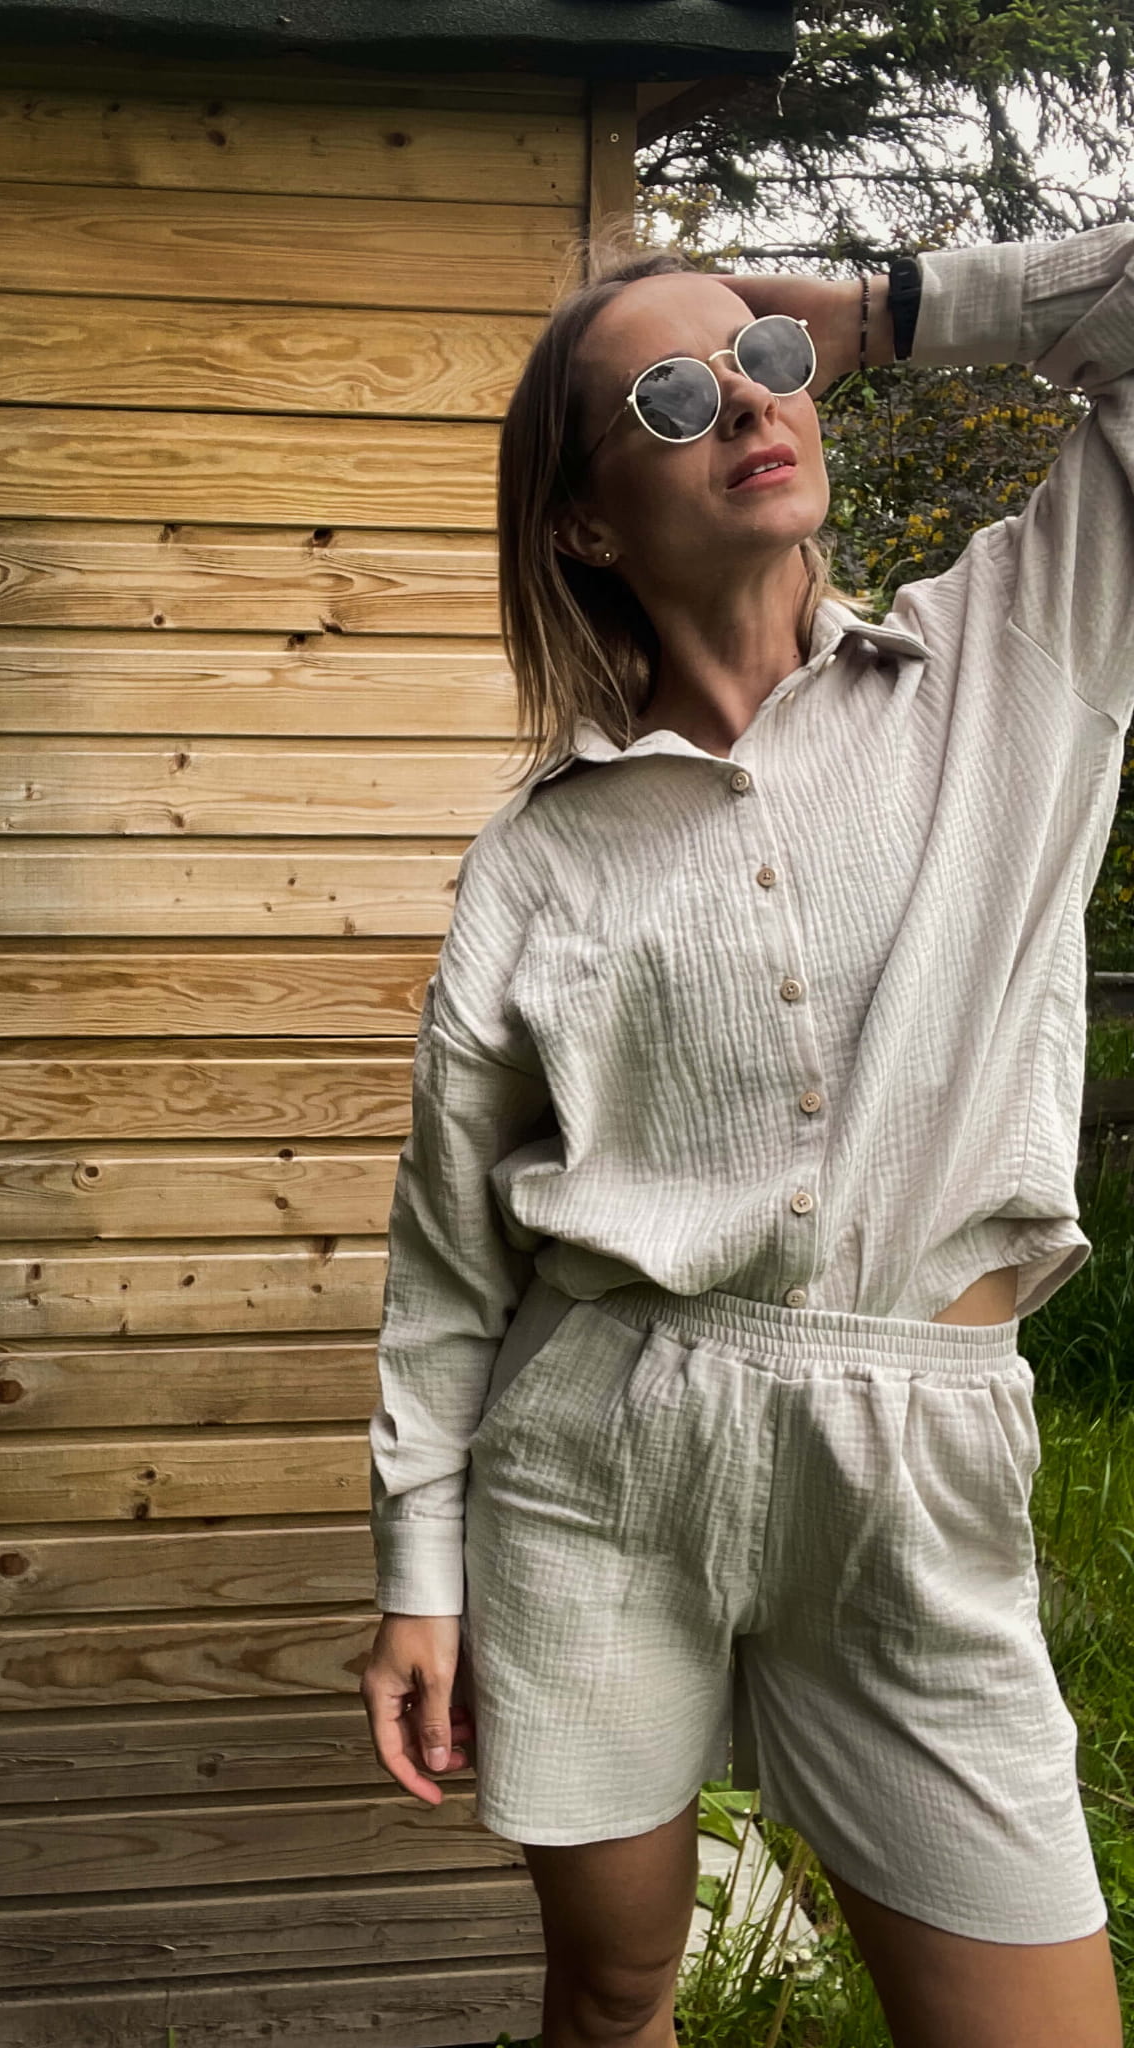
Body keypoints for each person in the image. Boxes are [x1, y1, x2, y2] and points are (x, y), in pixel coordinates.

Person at [359, 219, 1134, 2048]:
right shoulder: (540, 859)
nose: (748, 405)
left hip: (916, 1457)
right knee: (617, 1988)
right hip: (599, 1460)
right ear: (583, 521)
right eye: (672, 394)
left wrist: (887, 313)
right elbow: (450, 1260)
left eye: (762, 363)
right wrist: (419, 1576)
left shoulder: (1018, 660)